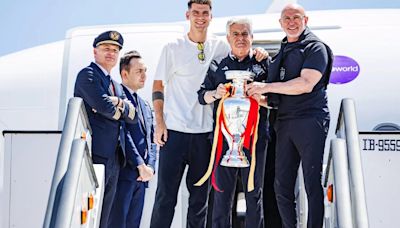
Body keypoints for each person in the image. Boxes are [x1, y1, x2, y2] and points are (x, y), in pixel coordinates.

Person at [150, 1, 267, 227]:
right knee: (165, 197)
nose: (200, 17)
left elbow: (240, 49)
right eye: (196, 13)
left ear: (211, 17)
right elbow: (157, 86)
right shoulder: (172, 47)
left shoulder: (220, 46)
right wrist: (160, 122)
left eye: (205, 13)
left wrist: (258, 51)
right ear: (188, 15)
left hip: (206, 136)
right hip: (174, 132)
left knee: (200, 200)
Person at [246, 3, 334, 228]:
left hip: (310, 120)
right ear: (280, 23)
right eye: (287, 18)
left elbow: (305, 84)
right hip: (284, 123)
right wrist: (257, 97)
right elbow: (276, 100)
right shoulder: (283, 51)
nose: (291, 22)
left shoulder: (315, 48)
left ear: (306, 20)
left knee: (311, 182)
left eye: (296, 17)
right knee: (281, 185)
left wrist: (266, 87)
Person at [197, 17, 269, 228]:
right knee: (221, 195)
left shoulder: (263, 63)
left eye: (245, 34)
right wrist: (215, 93)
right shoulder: (218, 65)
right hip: (224, 141)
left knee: (254, 193)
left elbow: (276, 99)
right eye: (235, 34)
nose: (240, 38)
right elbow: (202, 96)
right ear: (228, 38)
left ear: (252, 37)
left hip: (255, 140)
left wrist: (261, 94)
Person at [74, 30, 135, 228]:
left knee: (105, 214)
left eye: (115, 50)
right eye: (106, 48)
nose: (111, 53)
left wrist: (116, 103)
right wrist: (117, 108)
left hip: (114, 157)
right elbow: (104, 107)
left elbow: (132, 116)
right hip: (96, 154)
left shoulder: (115, 85)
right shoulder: (88, 75)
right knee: (91, 211)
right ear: (95, 52)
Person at [109, 50, 157, 228]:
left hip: (142, 178)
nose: (144, 75)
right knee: (116, 223)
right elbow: (122, 133)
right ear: (124, 74)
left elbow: (152, 139)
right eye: (139, 71)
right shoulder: (118, 97)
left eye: (145, 70)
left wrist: (150, 166)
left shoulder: (144, 104)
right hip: (123, 174)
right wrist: (139, 164)